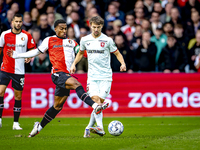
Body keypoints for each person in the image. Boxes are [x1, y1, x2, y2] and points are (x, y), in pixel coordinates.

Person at [7, 19, 103, 137]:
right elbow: (36, 52)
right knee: (77, 84)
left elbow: (81, 53)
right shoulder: (49, 40)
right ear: (55, 29)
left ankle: (39, 127)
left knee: (57, 106)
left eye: (65, 28)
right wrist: (18, 55)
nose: (64, 30)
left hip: (67, 75)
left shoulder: (72, 42)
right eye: (61, 28)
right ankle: (95, 106)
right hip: (57, 73)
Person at [70, 16, 126, 137]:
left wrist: (123, 63)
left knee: (99, 103)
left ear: (102, 27)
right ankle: (100, 127)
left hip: (106, 76)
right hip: (92, 77)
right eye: (94, 27)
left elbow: (117, 53)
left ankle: (88, 128)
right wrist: (74, 64)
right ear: (90, 26)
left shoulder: (107, 40)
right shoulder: (85, 40)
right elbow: (80, 53)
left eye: (98, 27)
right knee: (96, 102)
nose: (96, 29)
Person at [0, 14, 36, 129]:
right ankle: (0, 119)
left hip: (19, 71)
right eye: (16, 21)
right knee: (0, 92)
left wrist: (29, 57)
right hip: (5, 68)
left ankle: (15, 123)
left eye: (20, 22)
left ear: (22, 22)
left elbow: (33, 50)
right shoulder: (4, 34)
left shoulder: (26, 36)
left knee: (18, 97)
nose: (18, 24)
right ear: (12, 22)